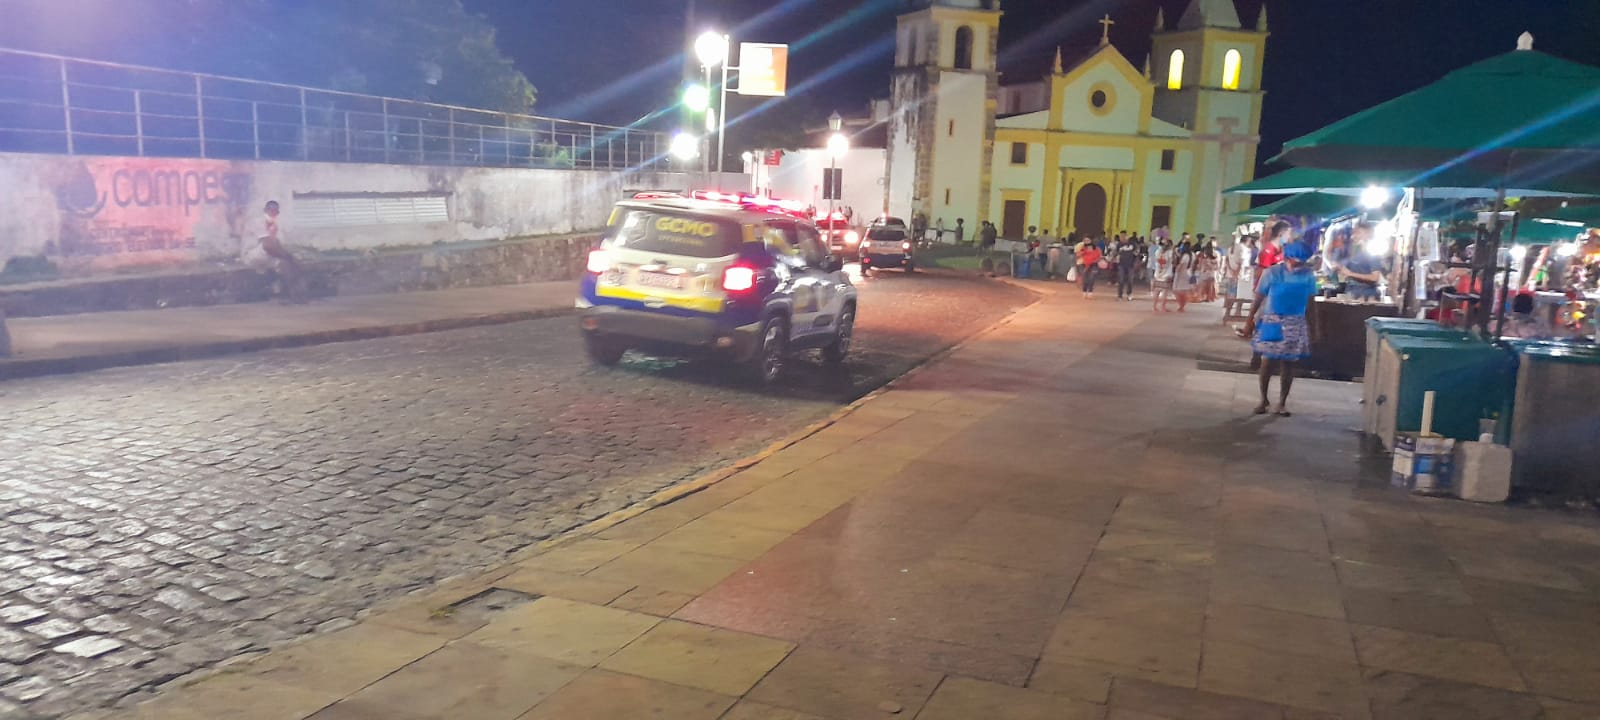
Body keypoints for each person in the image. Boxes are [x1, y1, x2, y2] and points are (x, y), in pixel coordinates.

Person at [1246, 238, 1320, 416]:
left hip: (1296, 322)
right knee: (1267, 362)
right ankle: (1263, 399)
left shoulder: (1308, 276)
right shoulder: (1272, 273)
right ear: (1287, 257)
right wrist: (1249, 320)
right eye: (1296, 261)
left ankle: (1282, 402)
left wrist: (1314, 328)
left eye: (1302, 262)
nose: (1299, 264)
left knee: (1288, 364)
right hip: (1272, 321)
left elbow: (1311, 304)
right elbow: (1258, 298)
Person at [258, 200, 306, 303]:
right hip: (262, 254)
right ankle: (289, 294)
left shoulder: (277, 224)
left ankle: (298, 293)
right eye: (271, 210)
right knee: (286, 265)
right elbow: (267, 245)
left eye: (275, 210)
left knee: (295, 265)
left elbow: (281, 242)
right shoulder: (261, 223)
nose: (273, 212)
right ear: (266, 210)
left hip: (277, 254)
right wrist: (286, 256)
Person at [1172, 241, 1197, 312]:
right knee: (1185, 291)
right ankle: (1182, 306)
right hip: (1189, 273)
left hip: (1182, 274)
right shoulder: (1193, 255)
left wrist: (1176, 271)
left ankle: (1181, 305)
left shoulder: (1185, 256)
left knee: (1177, 290)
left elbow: (1181, 265)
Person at [1151, 239, 1175, 312]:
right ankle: (1162, 307)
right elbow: (1173, 261)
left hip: (1157, 274)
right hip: (1166, 274)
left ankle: (1154, 307)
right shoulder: (1170, 252)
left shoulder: (1158, 251)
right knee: (1164, 291)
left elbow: (1155, 260)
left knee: (1156, 291)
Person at [1115, 232, 1139, 300]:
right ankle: (1120, 295)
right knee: (1121, 280)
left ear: (1126, 236)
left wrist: (1136, 261)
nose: (1122, 238)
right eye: (1121, 237)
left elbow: (1137, 252)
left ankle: (1129, 294)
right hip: (1121, 264)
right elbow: (1117, 253)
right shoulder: (1119, 244)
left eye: (1123, 236)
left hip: (1130, 264)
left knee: (1130, 280)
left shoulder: (1132, 244)